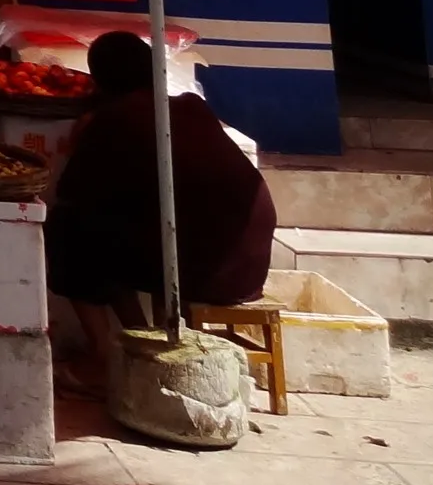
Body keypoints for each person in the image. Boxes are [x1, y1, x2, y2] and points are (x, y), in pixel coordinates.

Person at [45, 32, 277, 395]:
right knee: (110, 231)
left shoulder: (115, 118)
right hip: (249, 260)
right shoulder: (191, 106)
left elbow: (73, 193)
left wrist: (81, 140)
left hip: (204, 267)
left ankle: (105, 357)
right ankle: (136, 344)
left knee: (66, 229)